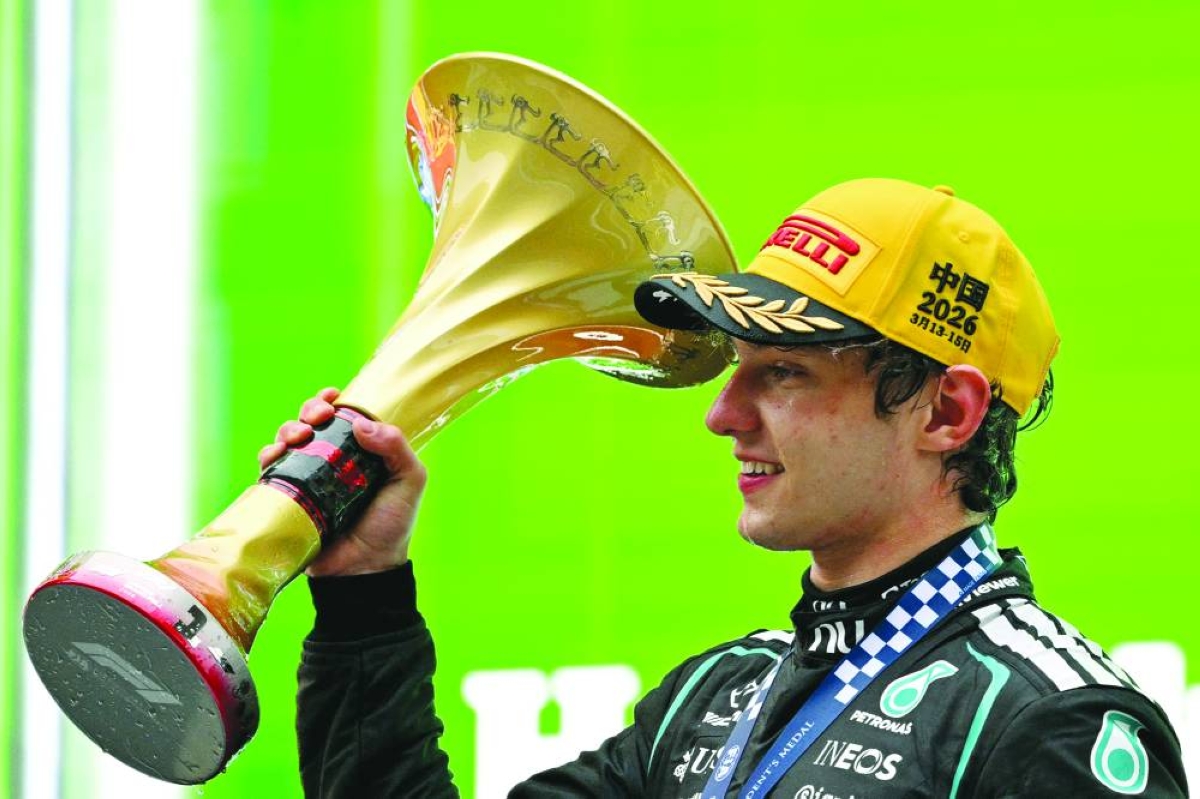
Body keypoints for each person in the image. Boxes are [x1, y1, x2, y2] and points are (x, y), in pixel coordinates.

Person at [265, 178, 1188, 797]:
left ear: (944, 412)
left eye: (784, 373)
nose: (723, 414)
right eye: (737, 367)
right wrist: (364, 594)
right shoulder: (715, 695)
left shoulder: (1048, 721)